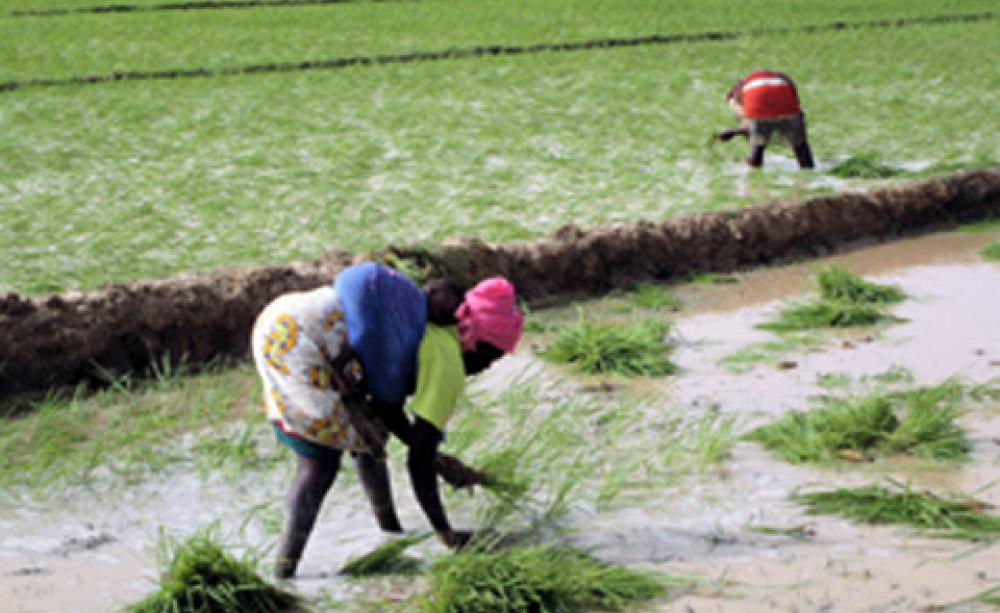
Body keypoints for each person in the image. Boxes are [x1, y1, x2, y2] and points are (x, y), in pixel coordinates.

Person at [250, 262, 524, 579]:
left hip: (285, 318)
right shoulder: (446, 361)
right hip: (302, 347)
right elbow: (417, 461)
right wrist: (446, 533)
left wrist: (438, 460)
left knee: (369, 437)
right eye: (490, 358)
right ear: (474, 343)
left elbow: (388, 413)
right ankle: (284, 573)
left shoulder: (431, 323)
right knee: (319, 463)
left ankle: (391, 530)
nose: (486, 368)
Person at [715, 69, 815, 170]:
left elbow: (748, 124)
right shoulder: (781, 77)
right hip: (785, 95)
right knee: (801, 148)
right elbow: (796, 105)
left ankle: (753, 165)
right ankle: (807, 166)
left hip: (758, 97)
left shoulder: (737, 93)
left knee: (756, 150)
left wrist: (736, 131)